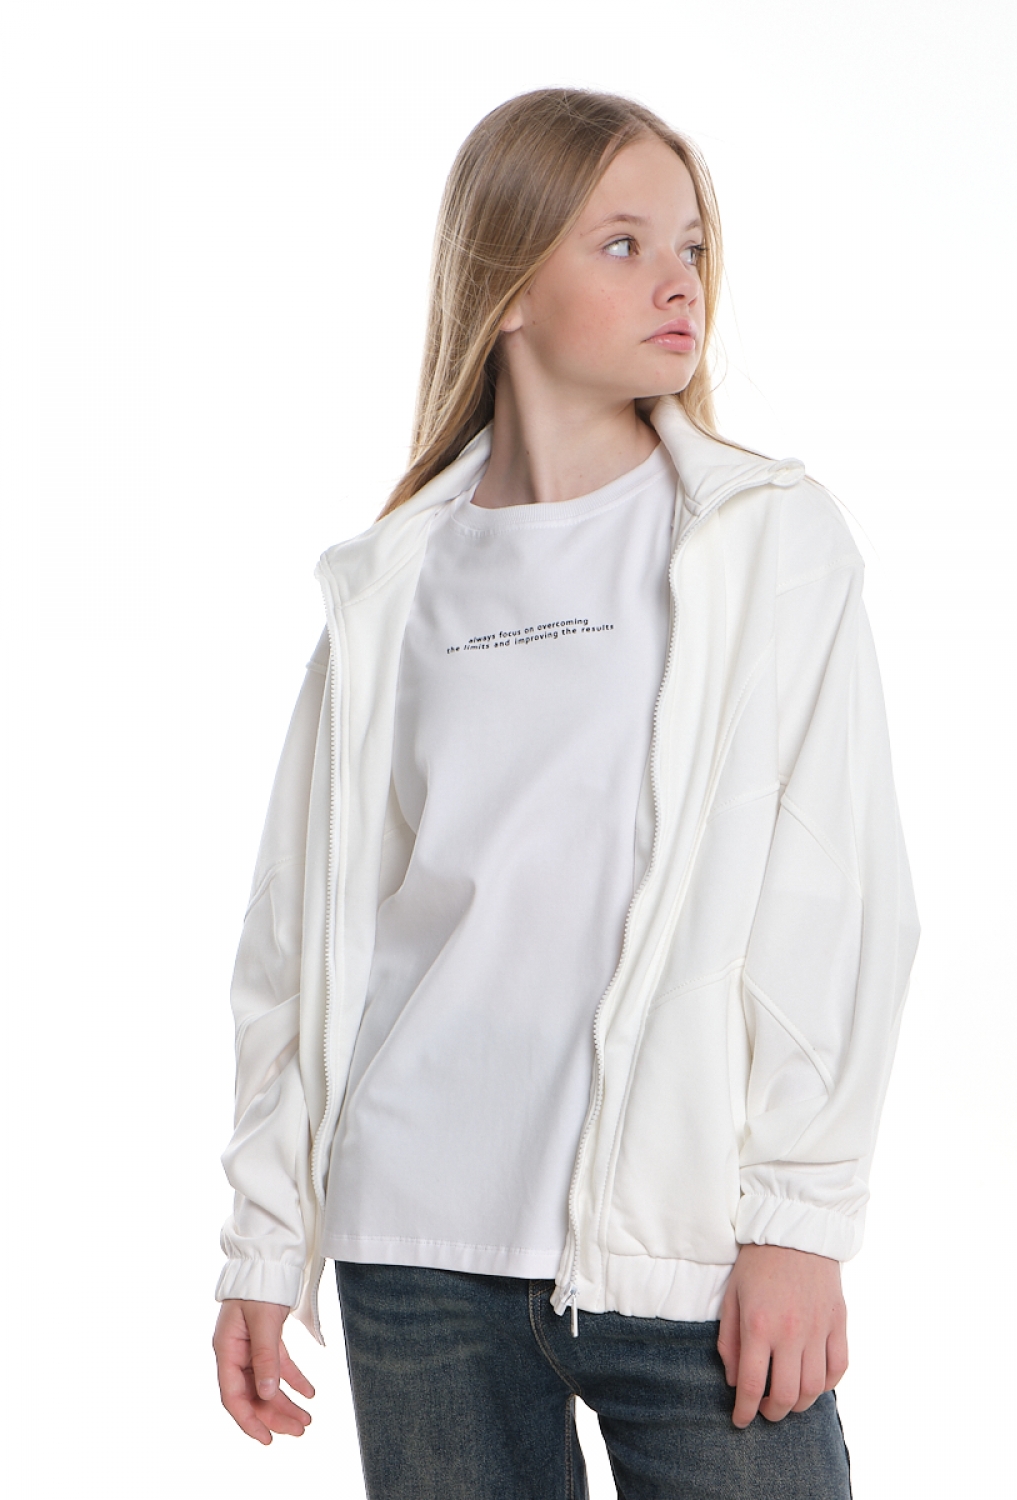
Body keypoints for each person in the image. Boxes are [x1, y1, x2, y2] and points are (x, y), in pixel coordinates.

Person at [212, 87, 920, 1499]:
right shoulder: (388, 588)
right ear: (508, 286)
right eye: (621, 244)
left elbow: (839, 894)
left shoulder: (764, 542)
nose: (679, 281)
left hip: (684, 1252)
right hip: (417, 1256)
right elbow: (301, 940)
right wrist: (263, 1243)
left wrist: (797, 1221)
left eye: (692, 246)